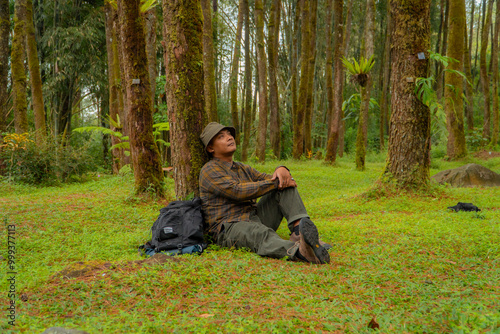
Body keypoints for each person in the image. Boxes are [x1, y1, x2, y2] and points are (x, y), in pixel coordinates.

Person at [198, 122, 330, 264]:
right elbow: (237, 191)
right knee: (259, 234)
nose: (229, 138)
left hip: (254, 218)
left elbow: (268, 178)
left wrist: (281, 170)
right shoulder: (209, 170)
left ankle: (299, 234)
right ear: (211, 148)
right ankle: (300, 251)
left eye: (229, 134)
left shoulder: (242, 168)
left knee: (284, 186)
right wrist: (276, 182)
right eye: (221, 137)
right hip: (229, 227)